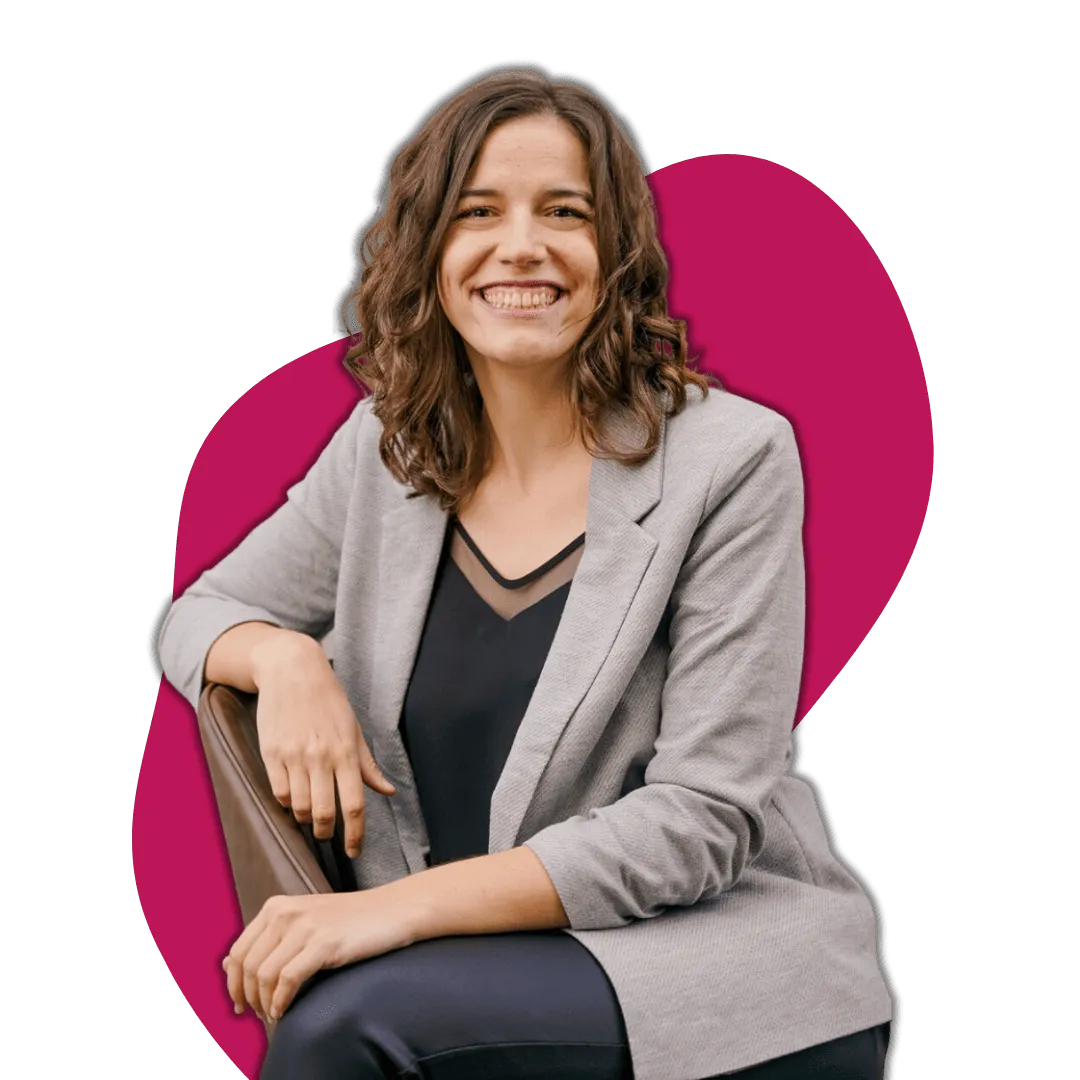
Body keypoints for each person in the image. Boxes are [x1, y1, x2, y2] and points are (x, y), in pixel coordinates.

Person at [158, 66, 895, 1080]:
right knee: (353, 1011)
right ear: (429, 251)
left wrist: (391, 914)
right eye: (478, 212)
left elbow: (702, 822)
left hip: (706, 975)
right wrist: (284, 659)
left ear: (616, 252)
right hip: (459, 971)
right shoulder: (388, 451)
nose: (520, 245)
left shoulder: (732, 460)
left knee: (343, 1027)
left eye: (564, 212)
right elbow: (201, 612)